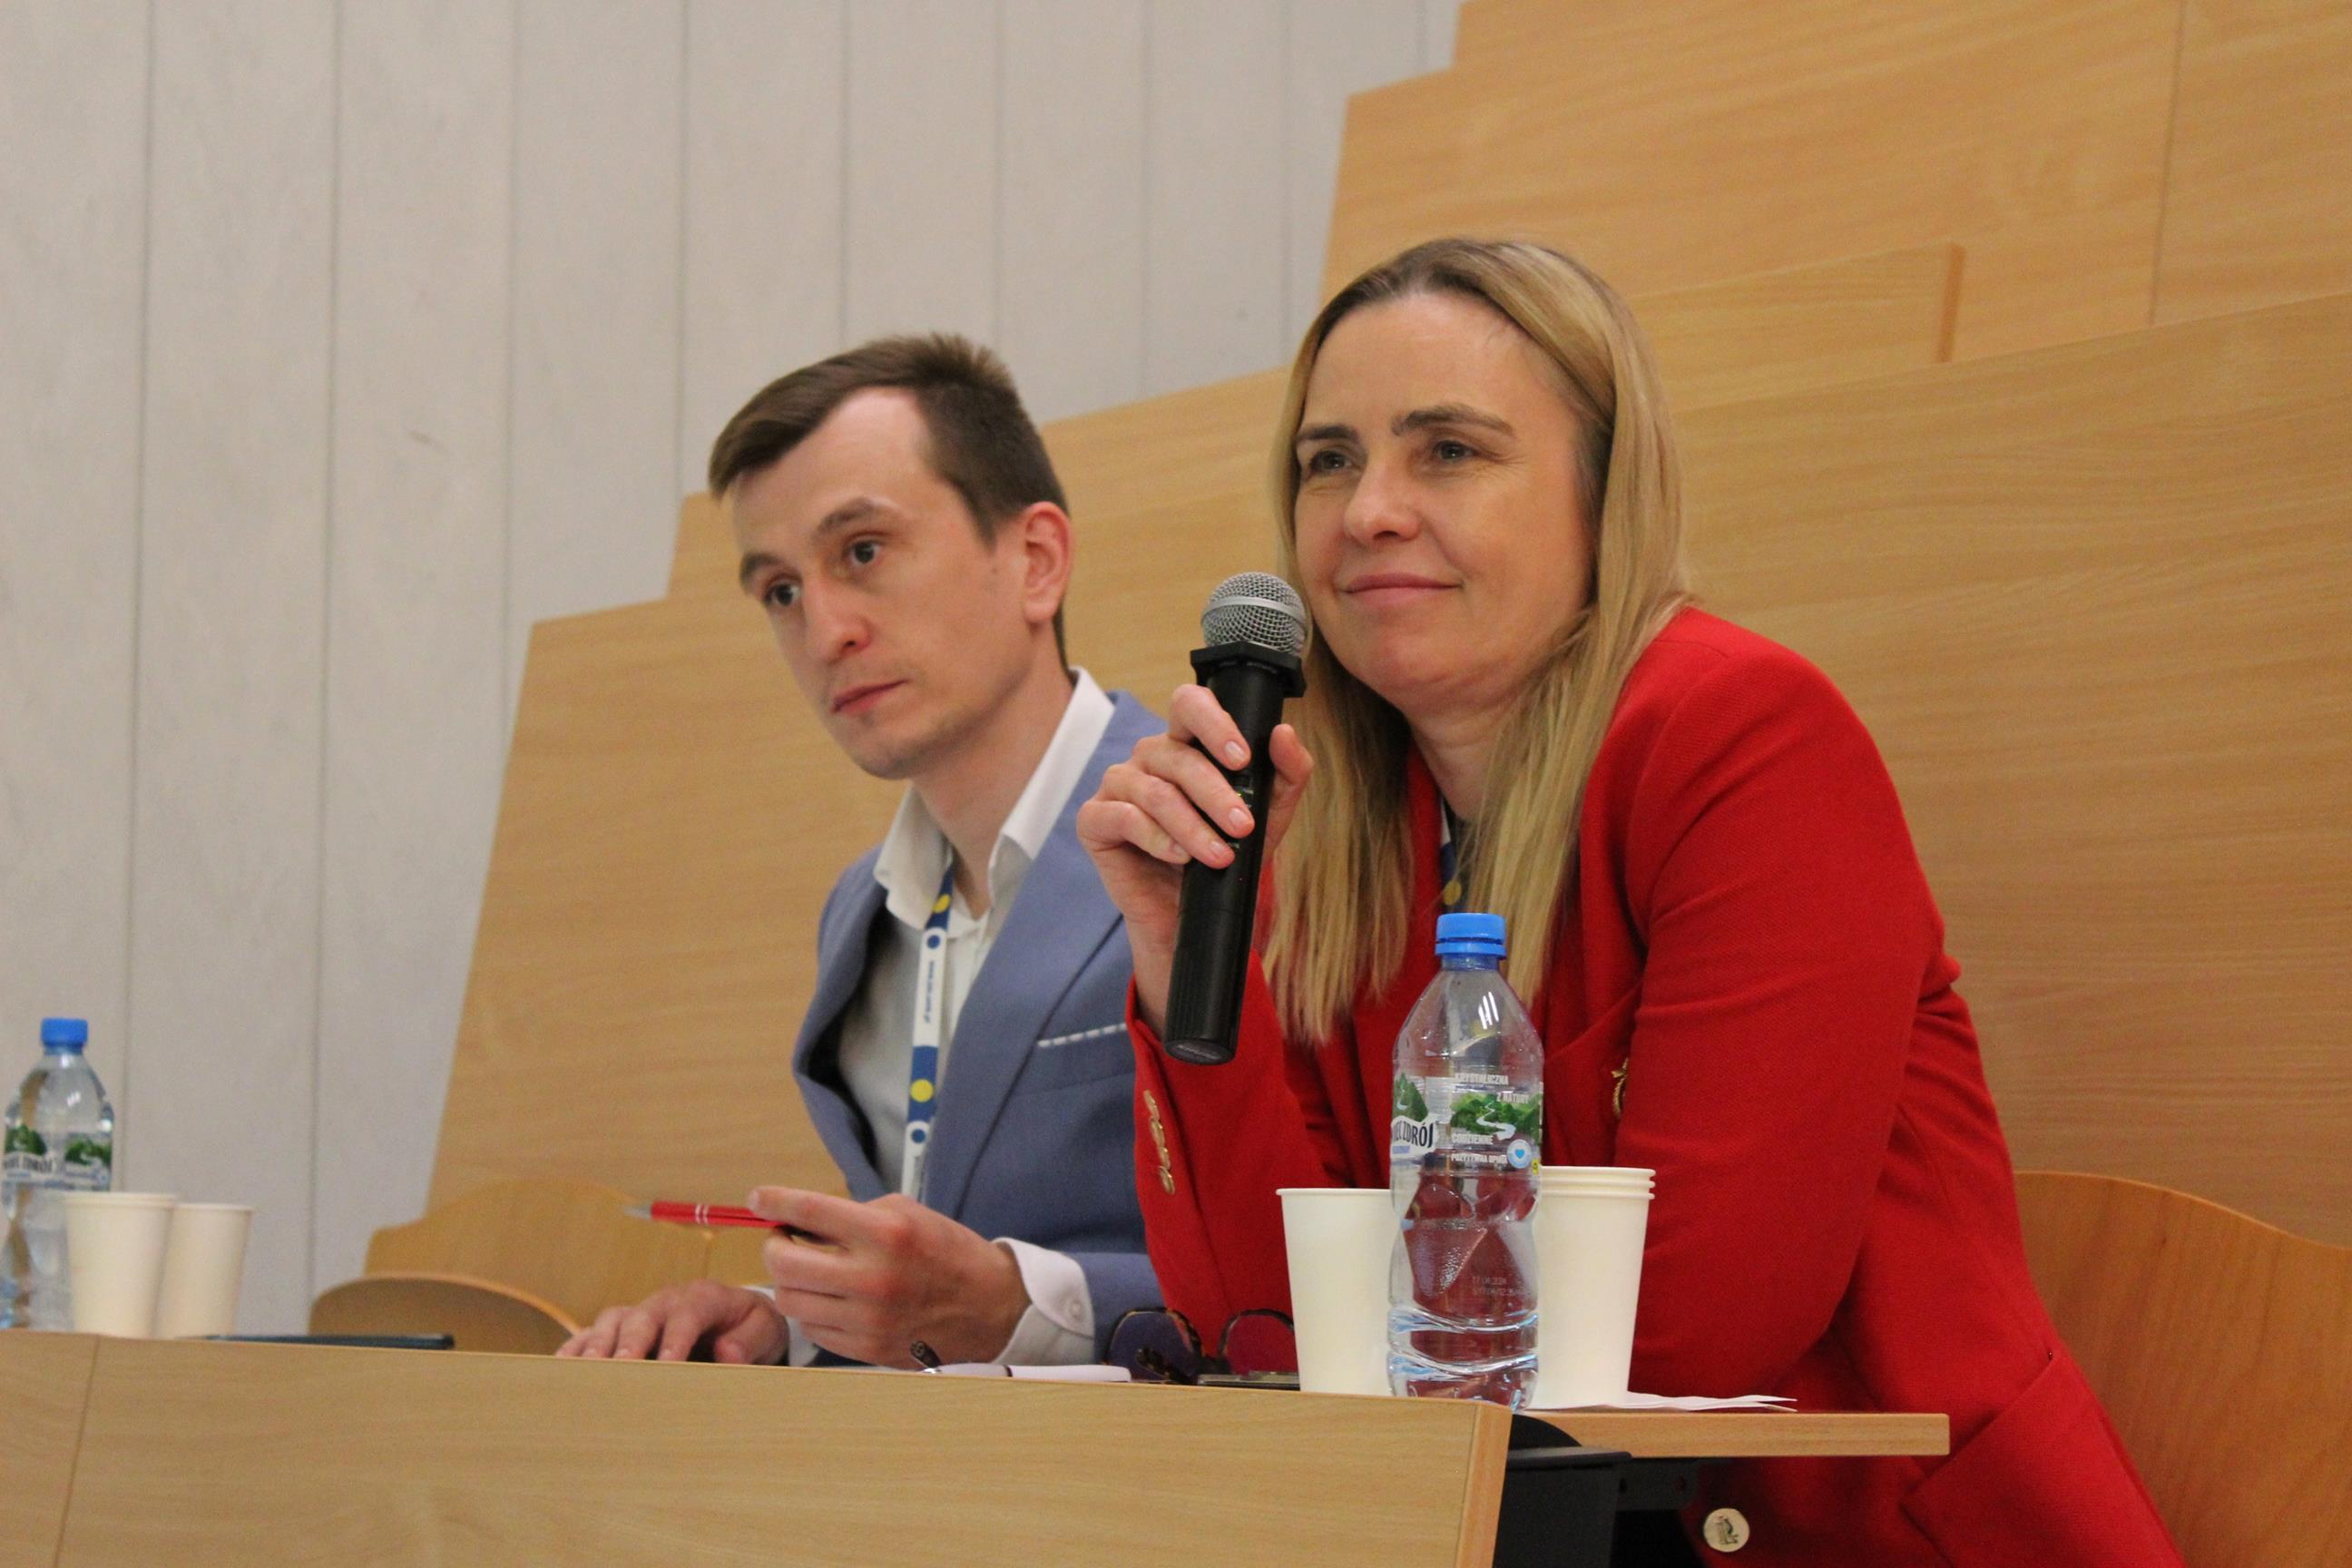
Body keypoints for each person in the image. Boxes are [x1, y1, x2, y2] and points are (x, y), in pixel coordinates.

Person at [1077, 240, 2184, 1565]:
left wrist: (1390, 1332)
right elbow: (1262, 1331)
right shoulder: (1334, 828)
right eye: (1329, 461)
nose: (1367, 510)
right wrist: (1181, 956)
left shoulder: (1748, 740)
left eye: (1448, 451)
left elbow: (1691, 1335)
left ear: (1605, 495)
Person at [562, 335, 1160, 1370]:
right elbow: (928, 1270)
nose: (824, 630)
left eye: (864, 552)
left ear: (1035, 562)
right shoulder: (859, 911)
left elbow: (1343, 1254)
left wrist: (1019, 1304)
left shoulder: (1206, 834)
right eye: (780, 591)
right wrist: (788, 1326)